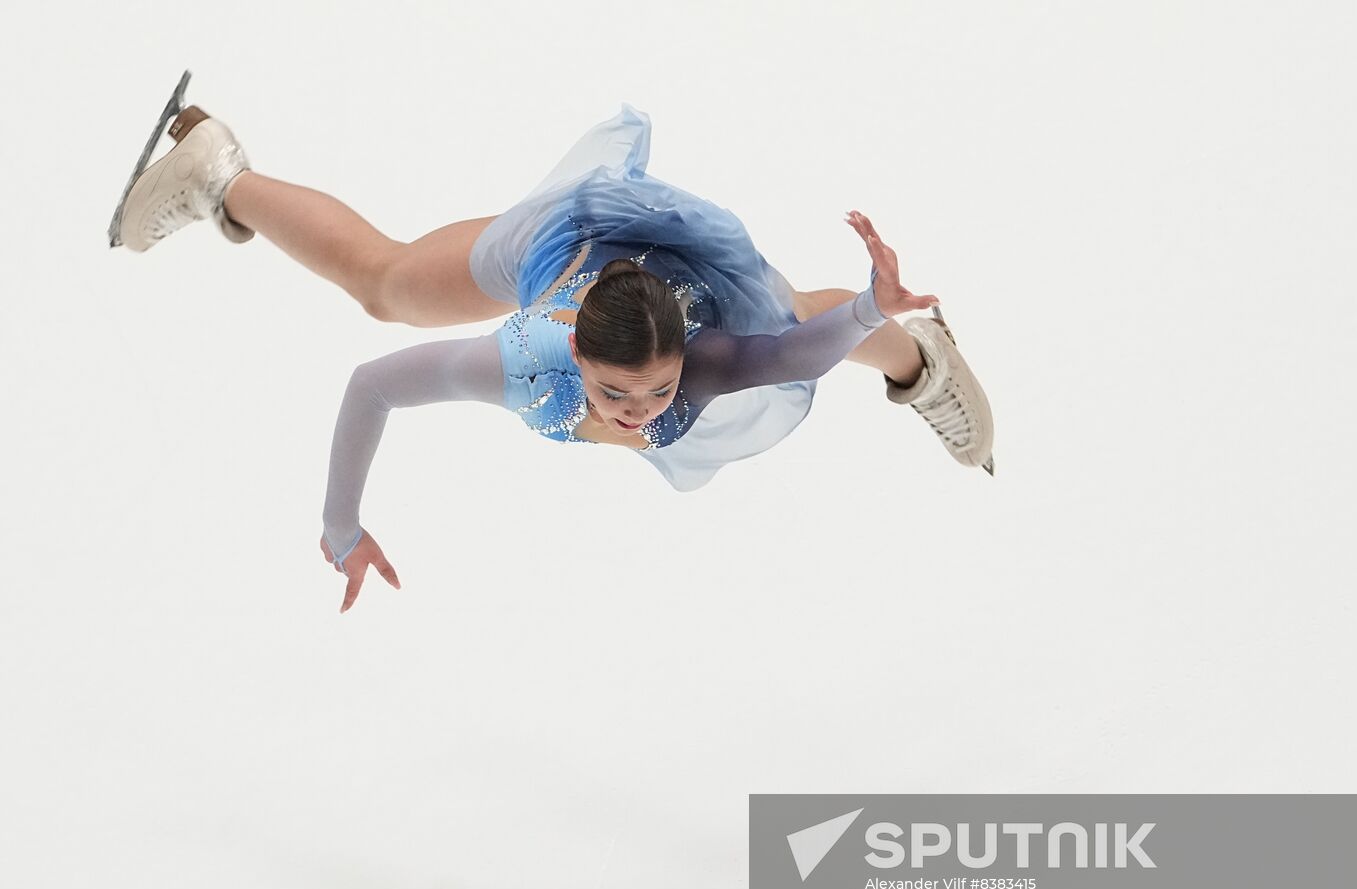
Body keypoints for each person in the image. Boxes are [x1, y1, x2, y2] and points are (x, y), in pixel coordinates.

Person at [111, 74, 995, 612]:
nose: (645, 415)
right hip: (560, 244)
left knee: (789, 316)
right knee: (385, 287)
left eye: (657, 393)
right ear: (572, 354)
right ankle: (220, 172)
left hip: (686, 288)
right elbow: (371, 386)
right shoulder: (521, 360)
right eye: (621, 397)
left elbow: (790, 357)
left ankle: (921, 359)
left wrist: (873, 306)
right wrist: (340, 526)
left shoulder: (704, 363)